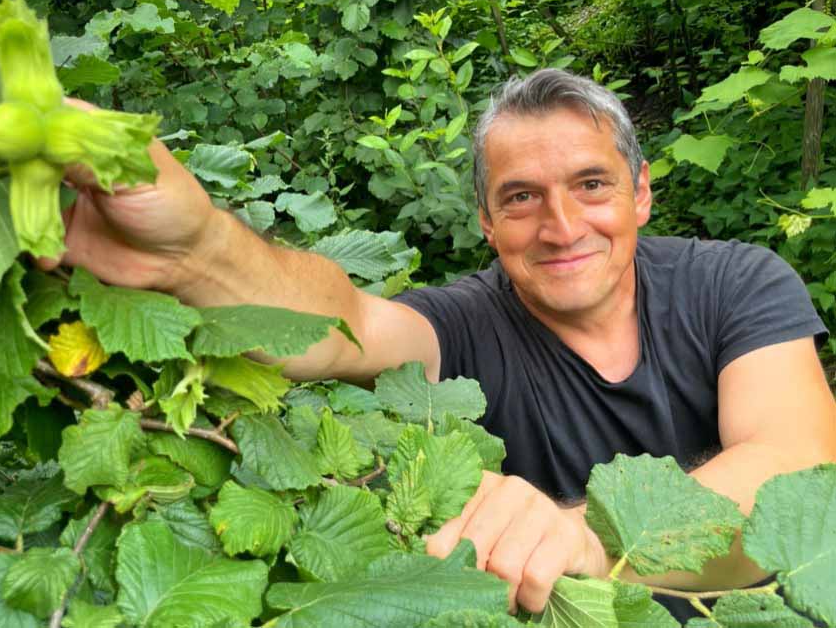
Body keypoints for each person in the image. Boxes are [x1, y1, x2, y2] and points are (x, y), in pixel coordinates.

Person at [52, 70, 836, 620]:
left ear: (639, 191)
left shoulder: (735, 284)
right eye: (521, 197)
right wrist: (198, 254)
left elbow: (801, 475)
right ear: (486, 223)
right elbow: (341, 324)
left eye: (590, 185)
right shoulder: (462, 325)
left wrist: (586, 537)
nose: (561, 227)